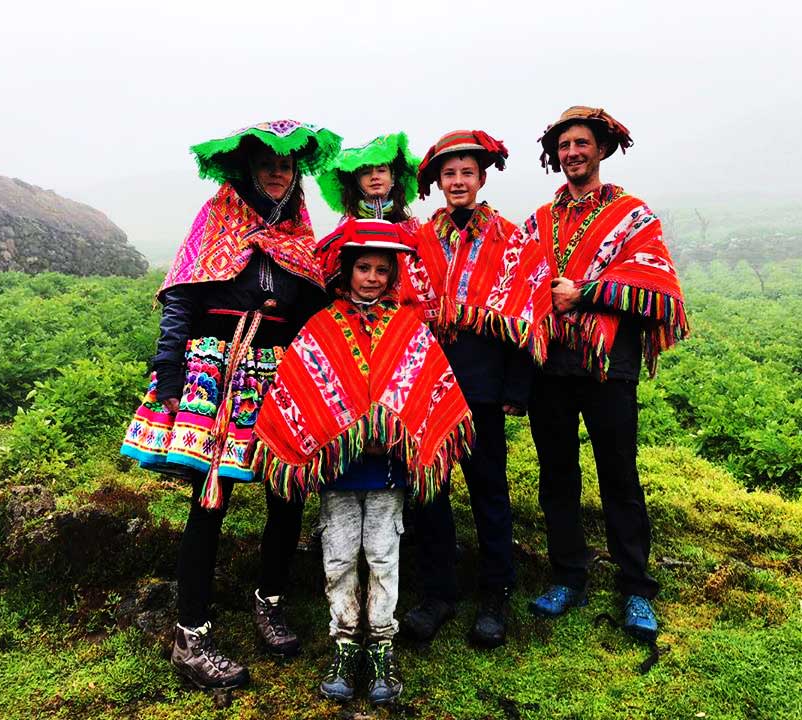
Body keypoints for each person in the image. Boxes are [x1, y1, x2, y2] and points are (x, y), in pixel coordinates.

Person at [120, 119, 341, 690]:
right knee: (209, 501)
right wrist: (166, 371)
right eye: (266, 162)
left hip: (278, 376)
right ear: (247, 168)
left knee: (285, 494)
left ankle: (270, 601)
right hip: (216, 373)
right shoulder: (216, 219)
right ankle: (190, 633)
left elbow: (312, 313)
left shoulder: (298, 234)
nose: (276, 171)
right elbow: (180, 298)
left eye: (286, 164)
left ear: (296, 174)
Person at [251, 218, 473, 704]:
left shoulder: (407, 327)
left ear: (393, 276)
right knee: (339, 555)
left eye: (380, 270)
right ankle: (345, 643)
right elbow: (300, 390)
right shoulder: (322, 327)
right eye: (363, 268)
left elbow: (428, 391)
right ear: (347, 272)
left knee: (382, 554)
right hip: (337, 474)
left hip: (388, 471)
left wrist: (394, 433)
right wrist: (340, 432)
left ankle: (382, 649)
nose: (371, 277)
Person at [522, 106, 688, 641]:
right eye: (564, 145)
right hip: (550, 366)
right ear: (556, 156)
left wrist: (585, 293)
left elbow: (657, 281)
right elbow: (517, 279)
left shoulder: (633, 216)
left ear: (601, 149)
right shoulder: (538, 222)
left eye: (581, 143)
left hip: (608, 365)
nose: (572, 152)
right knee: (558, 474)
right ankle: (568, 574)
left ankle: (636, 587)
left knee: (619, 475)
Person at [398, 130, 552, 648]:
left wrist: (516, 387)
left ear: (482, 179)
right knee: (430, 492)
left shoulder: (510, 240)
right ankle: (438, 593)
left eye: (467, 172)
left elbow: (528, 313)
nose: (457, 181)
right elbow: (402, 305)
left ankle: (495, 594)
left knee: (488, 490)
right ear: (438, 182)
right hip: (427, 384)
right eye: (449, 173)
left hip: (483, 385)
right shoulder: (420, 240)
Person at [316, 131, 420, 226]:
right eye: (366, 172)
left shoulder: (411, 227)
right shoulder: (346, 226)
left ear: (393, 177)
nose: (374, 177)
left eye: (381, 170)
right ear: (357, 181)